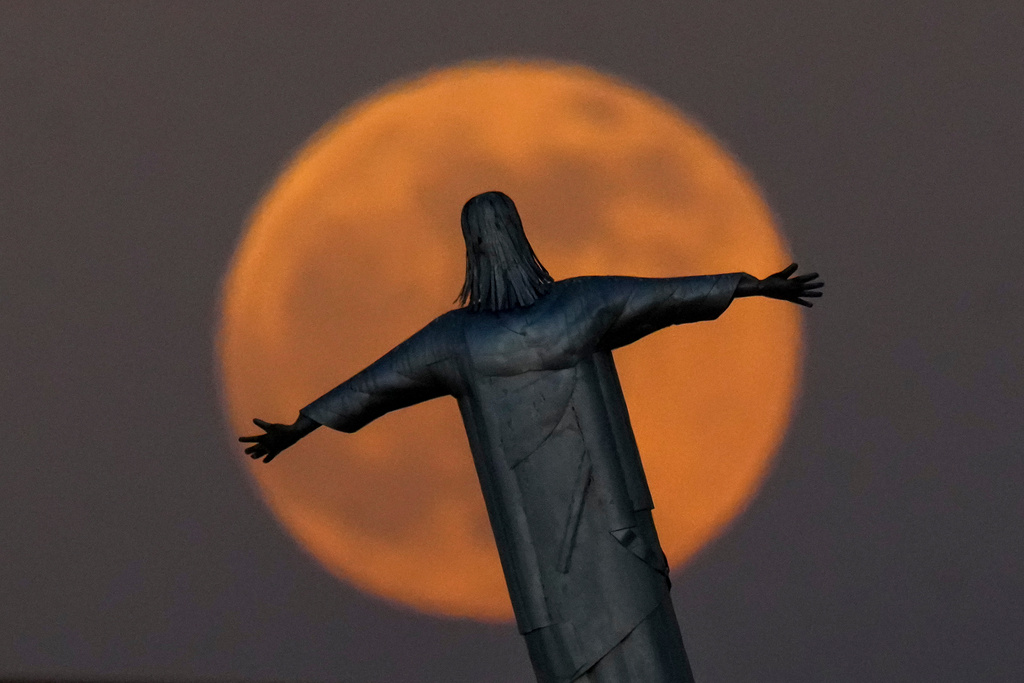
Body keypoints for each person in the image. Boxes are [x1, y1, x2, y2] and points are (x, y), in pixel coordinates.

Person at [240, 191, 822, 682]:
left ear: (472, 250)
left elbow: (373, 383)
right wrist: (754, 287)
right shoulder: (571, 304)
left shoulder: (462, 337)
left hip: (581, 515)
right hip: (564, 519)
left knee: (617, 632)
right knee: (598, 630)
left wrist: (301, 425)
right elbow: (667, 294)